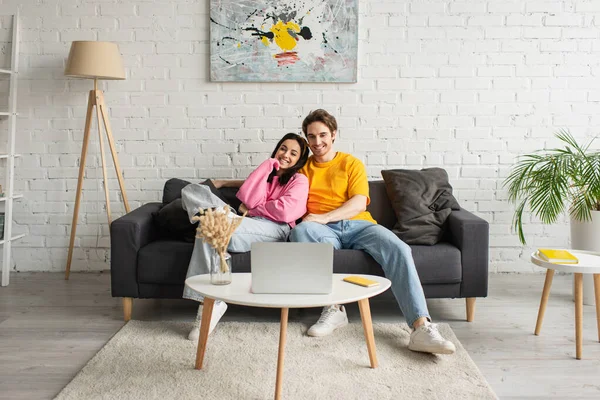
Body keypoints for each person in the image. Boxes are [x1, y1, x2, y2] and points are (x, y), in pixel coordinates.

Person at [290, 109, 456, 355]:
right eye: (311, 137)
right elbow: (271, 184)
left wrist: (324, 217)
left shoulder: (350, 163)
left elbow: (358, 203)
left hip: (359, 225)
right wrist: (226, 184)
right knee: (301, 232)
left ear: (334, 134)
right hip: (320, 230)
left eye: (322, 135)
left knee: (399, 248)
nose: (317, 142)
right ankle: (334, 310)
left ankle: (421, 327)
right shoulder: (302, 169)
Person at [183, 133, 310, 341]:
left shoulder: (299, 180)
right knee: (192, 190)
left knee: (209, 226)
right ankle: (216, 217)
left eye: (293, 153)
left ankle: (210, 303)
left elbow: (285, 212)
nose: (286, 155)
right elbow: (247, 198)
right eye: (283, 148)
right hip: (243, 223)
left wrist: (252, 212)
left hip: (275, 228)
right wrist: (267, 166)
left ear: (299, 160)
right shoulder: (267, 175)